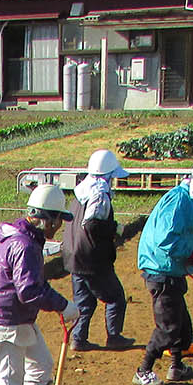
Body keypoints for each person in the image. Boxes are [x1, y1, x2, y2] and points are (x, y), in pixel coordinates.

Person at [0, 183, 73, 385]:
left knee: (42, 366)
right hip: (9, 320)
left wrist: (60, 303)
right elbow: (30, 291)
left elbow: (31, 287)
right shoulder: (24, 246)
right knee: (11, 378)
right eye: (58, 219)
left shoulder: (26, 240)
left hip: (20, 317)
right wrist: (63, 305)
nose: (59, 226)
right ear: (46, 218)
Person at [133, 157, 193, 385]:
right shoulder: (179, 202)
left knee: (183, 326)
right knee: (169, 327)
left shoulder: (188, 202)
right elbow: (166, 240)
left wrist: (192, 259)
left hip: (172, 270)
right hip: (160, 271)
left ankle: (176, 366)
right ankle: (143, 370)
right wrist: (190, 255)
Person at [63, 148, 133, 352]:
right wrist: (114, 228)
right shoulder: (100, 194)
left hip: (74, 255)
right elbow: (92, 224)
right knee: (115, 297)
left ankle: (78, 338)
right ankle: (114, 337)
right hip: (92, 259)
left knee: (84, 301)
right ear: (109, 175)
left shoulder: (81, 191)